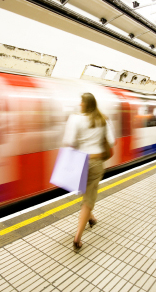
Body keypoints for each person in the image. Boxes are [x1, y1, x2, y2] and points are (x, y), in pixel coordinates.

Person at [63, 93, 115, 250]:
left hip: (80, 162)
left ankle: (89, 219)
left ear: (85, 104)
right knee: (89, 198)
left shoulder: (75, 119)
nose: (80, 105)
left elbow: (70, 142)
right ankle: (78, 236)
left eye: (81, 102)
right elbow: (112, 142)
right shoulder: (103, 119)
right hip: (96, 162)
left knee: (86, 194)